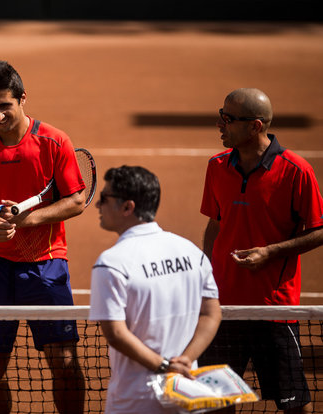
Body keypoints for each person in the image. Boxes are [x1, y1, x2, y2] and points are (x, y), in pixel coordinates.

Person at [0, 60, 86, 414]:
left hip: (47, 264)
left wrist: (27, 220)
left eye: (4, 106)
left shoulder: (54, 142)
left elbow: (76, 200)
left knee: (65, 365)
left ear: (23, 99)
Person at [199, 88, 323, 414]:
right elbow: (216, 225)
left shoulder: (296, 171)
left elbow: (319, 230)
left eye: (228, 119)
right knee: (216, 402)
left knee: (294, 403)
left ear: (255, 126)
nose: (219, 124)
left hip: (274, 308)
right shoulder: (217, 166)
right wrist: (207, 278)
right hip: (223, 309)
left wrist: (270, 252)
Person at [89, 165, 222, 414]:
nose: (98, 205)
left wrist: (164, 367)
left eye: (104, 198)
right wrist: (184, 362)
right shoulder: (192, 252)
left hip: (135, 402)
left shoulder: (112, 262)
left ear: (127, 207)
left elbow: (116, 333)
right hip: (186, 393)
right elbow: (211, 314)